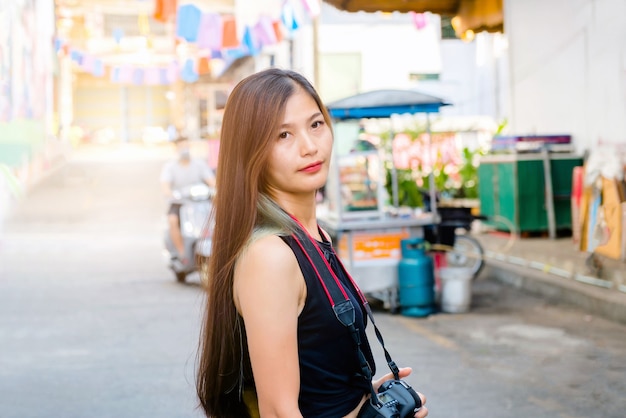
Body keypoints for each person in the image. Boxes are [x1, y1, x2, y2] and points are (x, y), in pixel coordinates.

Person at [196, 68, 428, 418]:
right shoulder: (271, 256)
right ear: (251, 151)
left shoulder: (314, 236)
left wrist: (366, 398)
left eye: (316, 124)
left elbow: (317, 372)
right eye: (283, 135)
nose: (309, 147)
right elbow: (278, 412)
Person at [160, 135, 215, 265]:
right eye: (181, 147)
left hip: (200, 202)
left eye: (186, 146)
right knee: (172, 220)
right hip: (180, 203)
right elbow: (165, 186)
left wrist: (216, 188)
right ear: (176, 149)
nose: (184, 149)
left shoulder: (199, 164)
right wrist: (171, 194)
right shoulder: (170, 167)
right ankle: (182, 253)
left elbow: (212, 181)